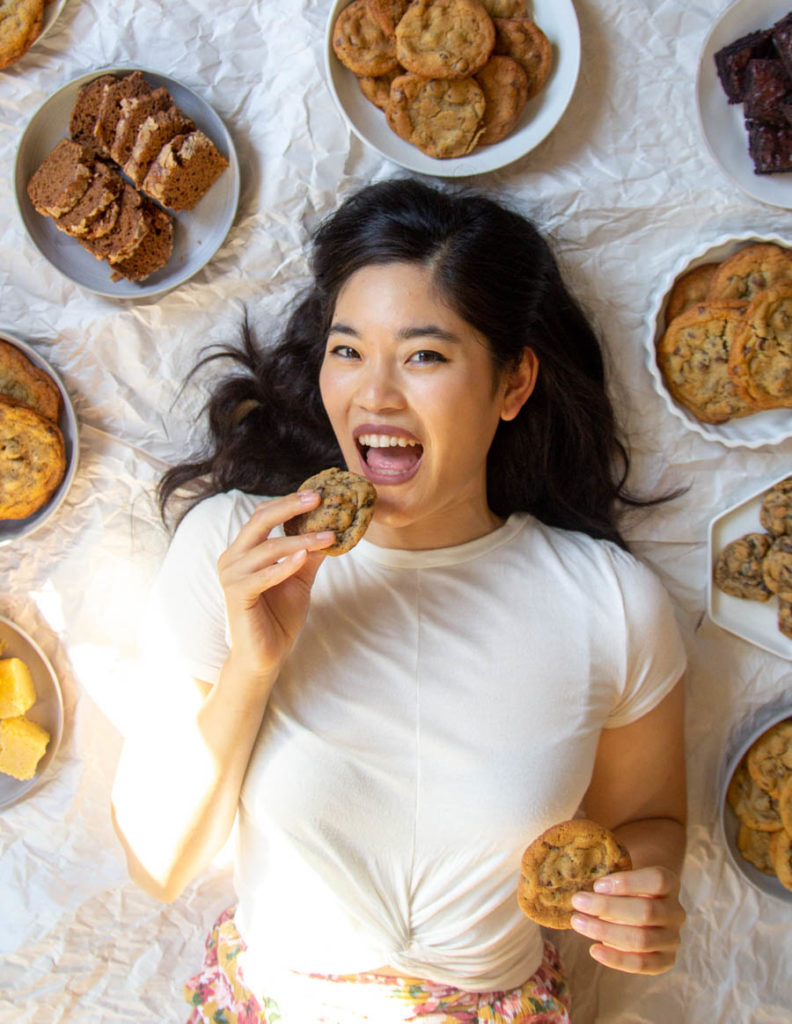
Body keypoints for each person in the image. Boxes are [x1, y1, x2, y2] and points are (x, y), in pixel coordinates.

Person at [111, 177, 687, 1024]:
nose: (373, 395)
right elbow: (158, 867)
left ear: (513, 385)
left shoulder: (612, 604)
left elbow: (651, 822)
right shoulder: (236, 550)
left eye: (423, 355)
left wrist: (642, 895)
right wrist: (254, 665)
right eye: (348, 350)